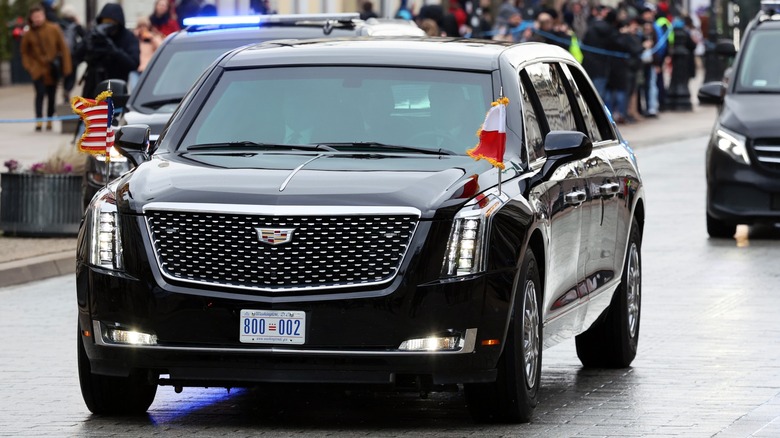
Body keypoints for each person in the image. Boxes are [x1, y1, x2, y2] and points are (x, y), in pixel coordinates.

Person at [20, 3, 72, 132]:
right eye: (34, 16)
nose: (37, 19)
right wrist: (30, 66)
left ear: (43, 15)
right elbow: (24, 52)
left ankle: (49, 119)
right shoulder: (28, 34)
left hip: (51, 69)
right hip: (37, 69)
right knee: (40, 93)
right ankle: (39, 120)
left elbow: (63, 48)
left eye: (39, 16)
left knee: (51, 95)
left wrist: (66, 68)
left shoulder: (53, 29)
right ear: (31, 18)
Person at [76, 3, 140, 99]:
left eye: (111, 22)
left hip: (115, 88)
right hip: (92, 86)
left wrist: (114, 51)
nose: (107, 25)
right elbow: (76, 57)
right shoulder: (95, 35)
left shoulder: (128, 38)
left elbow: (133, 64)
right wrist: (87, 43)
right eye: (104, 21)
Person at [59, 5, 86, 104]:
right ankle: (68, 90)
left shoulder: (59, 24)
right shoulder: (75, 25)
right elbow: (85, 36)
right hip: (73, 55)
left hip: (61, 55)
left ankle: (65, 91)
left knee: (65, 75)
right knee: (72, 75)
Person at [130, 16, 163, 92]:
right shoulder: (135, 39)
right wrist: (135, 35)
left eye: (144, 26)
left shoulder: (154, 37)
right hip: (136, 70)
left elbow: (161, 47)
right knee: (134, 90)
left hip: (149, 69)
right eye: (140, 26)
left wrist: (152, 38)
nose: (142, 28)